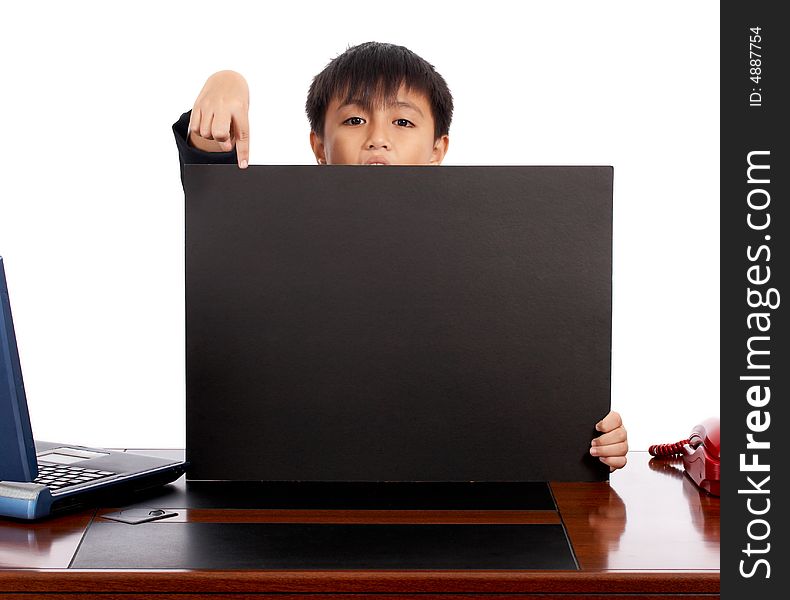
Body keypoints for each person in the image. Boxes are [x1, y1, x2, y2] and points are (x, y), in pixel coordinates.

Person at [172, 41, 629, 472]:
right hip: (293, 493)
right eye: (354, 121)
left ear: (438, 149)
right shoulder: (274, 238)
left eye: (403, 122)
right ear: (318, 147)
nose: (378, 139)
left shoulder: (495, 255)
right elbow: (219, 208)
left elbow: (527, 374)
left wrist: (590, 439)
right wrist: (225, 84)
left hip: (463, 501)